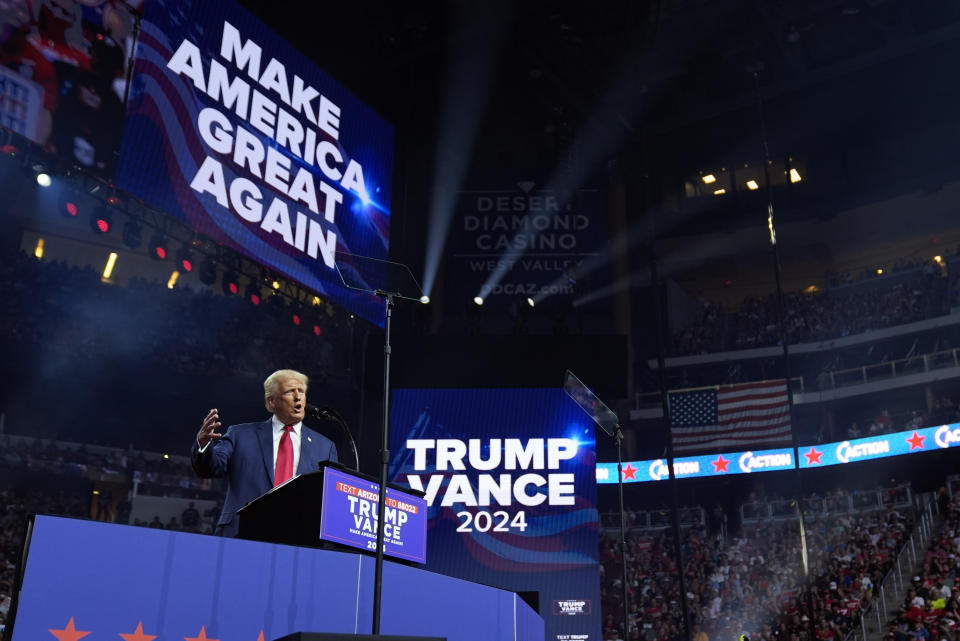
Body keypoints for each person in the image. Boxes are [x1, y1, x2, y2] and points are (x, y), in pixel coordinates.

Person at [191, 369, 338, 537]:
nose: (298, 397)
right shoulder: (240, 435)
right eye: (290, 391)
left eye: (302, 391)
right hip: (242, 534)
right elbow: (210, 467)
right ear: (272, 401)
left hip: (298, 540)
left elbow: (329, 504)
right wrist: (203, 444)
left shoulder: (325, 447)